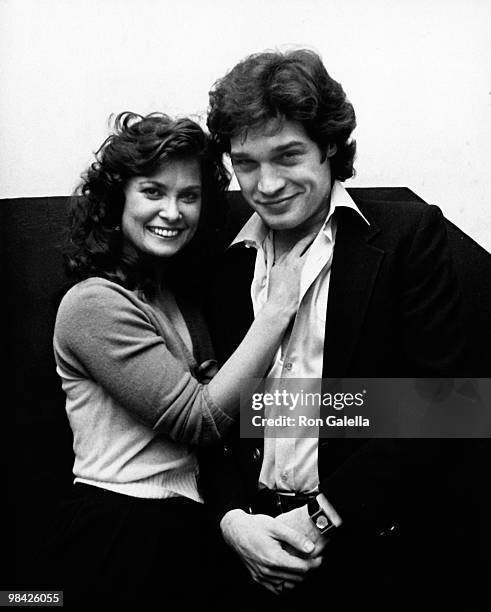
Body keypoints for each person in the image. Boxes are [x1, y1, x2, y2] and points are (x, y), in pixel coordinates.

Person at [198, 49, 469, 609]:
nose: (265, 183)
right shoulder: (219, 254)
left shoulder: (407, 237)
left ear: (329, 146)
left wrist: (322, 516)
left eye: (288, 154)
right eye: (245, 162)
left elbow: (446, 405)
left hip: (370, 553)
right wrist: (230, 520)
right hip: (244, 554)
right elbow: (213, 409)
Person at [46, 111, 314, 608]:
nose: (173, 211)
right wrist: (277, 310)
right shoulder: (92, 303)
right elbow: (200, 419)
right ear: (116, 198)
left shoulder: (175, 293)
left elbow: (221, 399)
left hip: (188, 525)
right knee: (24, 601)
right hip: (118, 526)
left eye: (189, 196)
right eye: (153, 192)